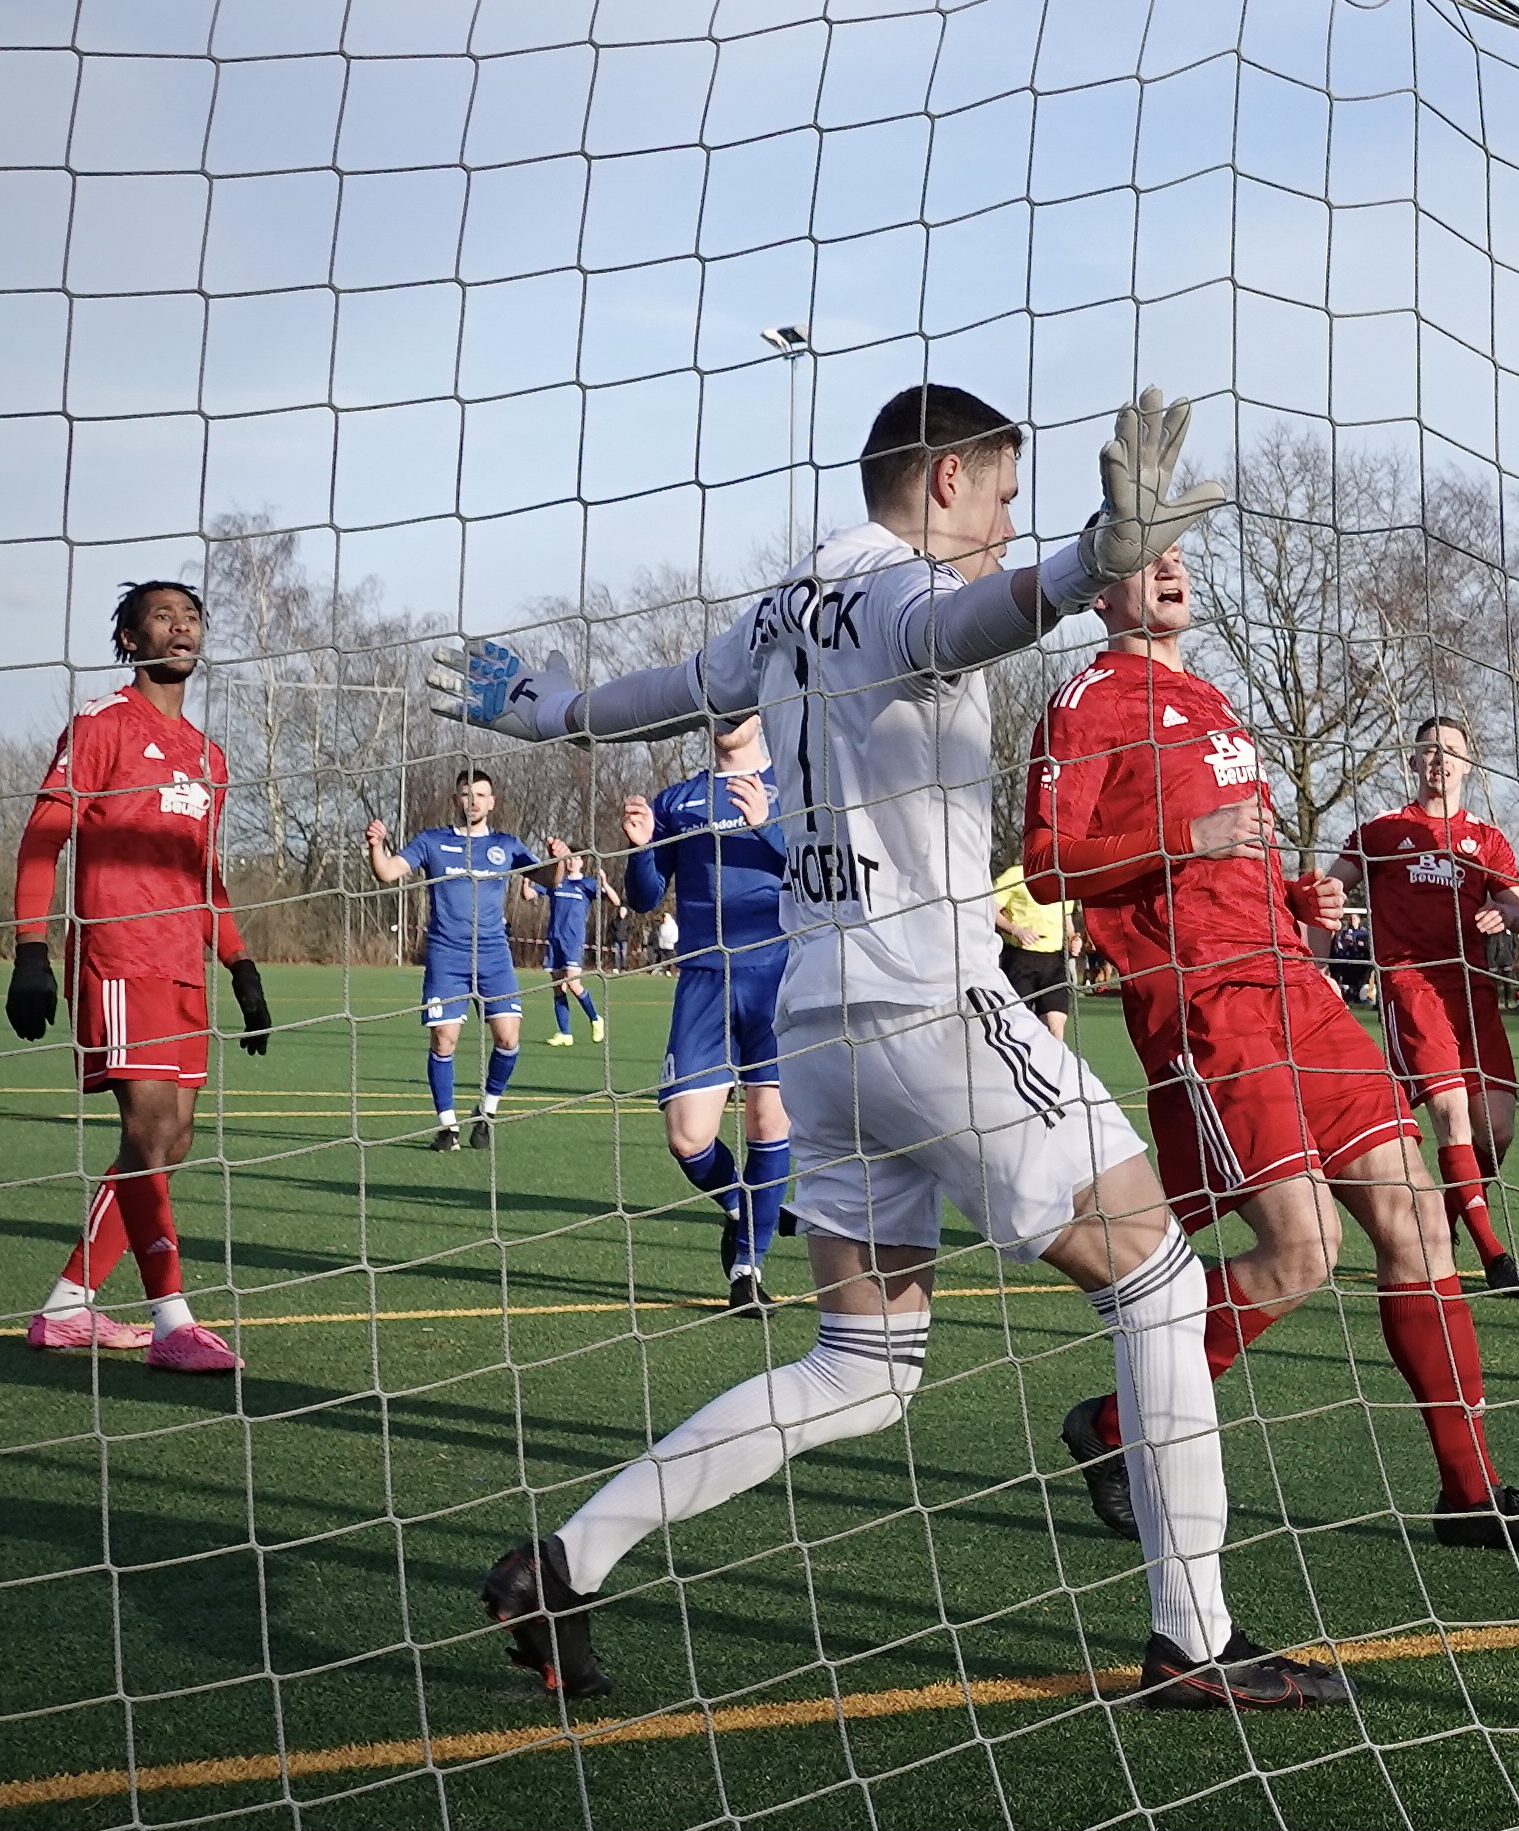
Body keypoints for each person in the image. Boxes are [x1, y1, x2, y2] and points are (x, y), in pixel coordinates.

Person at [437, 382, 1344, 1710]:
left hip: (819, 1029)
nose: (1006, 514)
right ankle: (1192, 1636)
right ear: (940, 486)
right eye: (1000, 490)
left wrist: (551, 713)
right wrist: (1095, 553)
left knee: (860, 1365)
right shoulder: (903, 594)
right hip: (933, 1007)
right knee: (1162, 1286)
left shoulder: (782, 604)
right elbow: (990, 607)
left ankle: (568, 1560)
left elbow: (668, 693)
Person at [1029, 546, 1519, 1560]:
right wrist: (1186, 833)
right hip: (1208, 1003)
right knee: (1302, 1250)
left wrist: (1299, 898)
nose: (1170, 569)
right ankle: (1111, 1428)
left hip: (1299, 989)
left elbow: (1229, 861)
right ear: (1097, 586)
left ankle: (1468, 1492)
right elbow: (1047, 864)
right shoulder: (1084, 699)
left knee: (1419, 1223)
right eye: (1141, 557)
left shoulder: (1211, 698)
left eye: (1178, 555)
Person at [7, 579, 270, 1373]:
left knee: (173, 1138)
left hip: (182, 966)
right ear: (130, 638)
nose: (181, 627)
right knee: (150, 1132)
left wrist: (241, 963)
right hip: (120, 959)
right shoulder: (101, 724)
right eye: (162, 615)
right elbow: (41, 837)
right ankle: (173, 1322)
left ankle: (67, 1307)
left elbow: (206, 876)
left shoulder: (209, 756)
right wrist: (31, 949)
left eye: (190, 616)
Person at [1329, 716, 1519, 1297]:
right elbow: (1330, 889)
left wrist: (1508, 915)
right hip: (1410, 988)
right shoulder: (1381, 830)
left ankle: (1442, 1231)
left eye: (1451, 751)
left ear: (1468, 764)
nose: (1439, 760)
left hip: (1472, 993)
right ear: (1413, 762)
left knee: (1494, 1129)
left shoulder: (1486, 840)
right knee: (1450, 1116)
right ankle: (1495, 1258)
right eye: (1429, 750)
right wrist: (1315, 964)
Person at [621, 717, 793, 1312]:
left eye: (739, 709)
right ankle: (739, 1204)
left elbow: (819, 873)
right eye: (716, 709)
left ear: (760, 714)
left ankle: (748, 1269)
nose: (727, 720)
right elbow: (644, 897)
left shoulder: (793, 786)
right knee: (688, 1138)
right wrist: (641, 849)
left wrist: (768, 829)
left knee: (769, 1124)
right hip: (703, 981)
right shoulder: (677, 799)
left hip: (778, 976)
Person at [367, 771, 553, 1155]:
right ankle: (447, 1126)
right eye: (467, 795)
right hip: (446, 955)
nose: (474, 801)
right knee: (444, 1039)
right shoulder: (432, 842)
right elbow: (387, 873)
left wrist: (561, 861)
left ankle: (486, 1112)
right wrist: (376, 845)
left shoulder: (507, 846)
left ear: (492, 801)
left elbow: (547, 878)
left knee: (508, 1038)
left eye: (481, 795)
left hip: (494, 955)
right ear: (456, 800)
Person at [526, 840, 617, 1048]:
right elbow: (528, 895)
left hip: (573, 941)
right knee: (558, 987)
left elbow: (615, 901)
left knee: (574, 984)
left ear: (582, 862)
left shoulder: (588, 884)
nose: (571, 862)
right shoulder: (556, 882)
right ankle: (565, 1033)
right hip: (554, 940)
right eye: (568, 858)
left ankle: (595, 1019)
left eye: (575, 858)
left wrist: (605, 883)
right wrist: (526, 882)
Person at [990, 859, 1076, 1041]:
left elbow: (1067, 921)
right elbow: (989, 909)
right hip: (1020, 960)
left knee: (1055, 1025)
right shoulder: (1016, 875)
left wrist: (1072, 939)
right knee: (1016, 1027)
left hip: (1054, 962)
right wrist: (1015, 930)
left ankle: (1050, 1068)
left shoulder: (1064, 880)